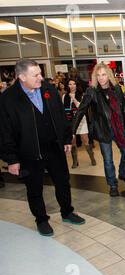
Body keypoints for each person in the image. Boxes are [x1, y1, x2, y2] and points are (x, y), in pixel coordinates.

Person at [0, 59, 85, 236]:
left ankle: (67, 212)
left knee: (62, 181)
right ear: (21, 77)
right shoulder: (8, 99)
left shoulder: (48, 90)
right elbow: (4, 131)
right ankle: (41, 219)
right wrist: (11, 159)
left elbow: (61, 117)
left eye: (40, 73)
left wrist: (66, 139)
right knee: (34, 188)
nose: (41, 78)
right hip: (29, 153)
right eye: (36, 75)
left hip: (54, 147)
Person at [72, 63, 125, 197]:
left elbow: (123, 109)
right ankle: (112, 184)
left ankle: (123, 174)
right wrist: (72, 130)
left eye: (103, 74)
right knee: (108, 160)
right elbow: (81, 110)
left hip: (119, 129)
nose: (100, 78)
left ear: (109, 75)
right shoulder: (92, 91)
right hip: (103, 130)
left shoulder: (116, 89)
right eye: (98, 75)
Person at [62, 79, 96, 168]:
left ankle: (92, 158)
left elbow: (81, 107)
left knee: (85, 139)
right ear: (67, 86)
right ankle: (75, 161)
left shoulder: (82, 95)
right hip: (70, 121)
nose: (72, 86)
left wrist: (73, 98)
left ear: (77, 85)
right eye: (70, 84)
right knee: (73, 140)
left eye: (74, 84)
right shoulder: (64, 96)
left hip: (81, 120)